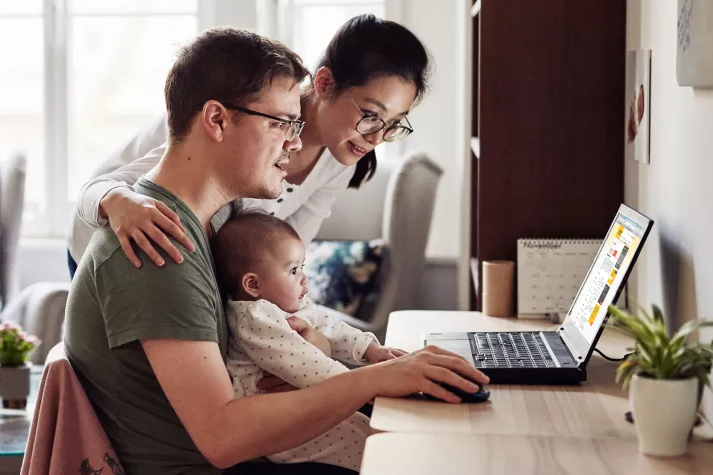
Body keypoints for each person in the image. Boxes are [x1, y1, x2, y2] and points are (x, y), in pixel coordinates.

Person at [63, 27, 488, 475]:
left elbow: (284, 268)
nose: (293, 142)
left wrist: (322, 348)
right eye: (283, 124)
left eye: (296, 126)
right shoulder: (160, 237)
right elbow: (222, 436)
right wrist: (373, 379)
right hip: (106, 226)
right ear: (218, 121)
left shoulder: (224, 221)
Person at [66, 14, 432, 276]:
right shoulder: (241, 117)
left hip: (178, 255)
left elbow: (288, 250)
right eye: (370, 114)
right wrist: (118, 202)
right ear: (324, 84)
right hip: (101, 236)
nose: (376, 138)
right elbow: (95, 189)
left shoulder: (339, 159)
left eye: (393, 125)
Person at [212, 209, 405, 472]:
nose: (304, 277)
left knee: (378, 432)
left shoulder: (289, 306)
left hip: (307, 402)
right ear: (253, 285)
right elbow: (305, 364)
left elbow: (330, 327)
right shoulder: (255, 317)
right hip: (279, 427)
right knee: (371, 444)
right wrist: (367, 386)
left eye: (302, 267)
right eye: (293, 270)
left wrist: (370, 350)